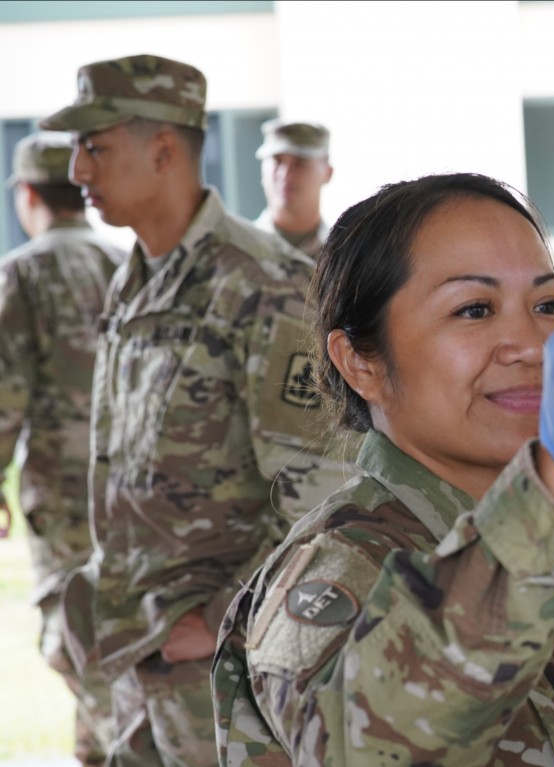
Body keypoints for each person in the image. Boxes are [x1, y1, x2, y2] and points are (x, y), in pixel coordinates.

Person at [212, 173, 554, 766]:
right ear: (361, 362)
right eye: (474, 310)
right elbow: (368, 749)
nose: (530, 343)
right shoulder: (339, 566)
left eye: (548, 305)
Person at [40, 54, 350, 765]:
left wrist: (218, 618)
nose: (78, 171)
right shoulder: (137, 277)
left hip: (221, 672)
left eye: (94, 146)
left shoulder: (260, 282)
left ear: (163, 149)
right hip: (140, 657)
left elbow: (320, 486)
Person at [0, 130, 123, 766]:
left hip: (65, 496)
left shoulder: (22, 273)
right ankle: (98, 752)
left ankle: (124, 749)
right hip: (136, 493)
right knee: (112, 629)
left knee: (73, 639)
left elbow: (4, 394)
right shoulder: (125, 262)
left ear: (27, 195)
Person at [253, 119, 332, 259]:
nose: (285, 175)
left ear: (327, 173)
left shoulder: (341, 252)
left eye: (300, 163)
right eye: (277, 160)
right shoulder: (241, 248)